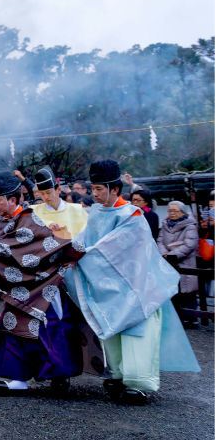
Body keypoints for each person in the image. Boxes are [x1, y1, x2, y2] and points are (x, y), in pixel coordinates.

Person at [65, 159, 200, 406]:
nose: (94, 194)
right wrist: (71, 249)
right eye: (93, 189)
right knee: (112, 330)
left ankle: (138, 384)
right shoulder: (96, 212)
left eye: (99, 189)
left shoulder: (132, 215)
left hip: (136, 287)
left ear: (115, 189)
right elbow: (85, 240)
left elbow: (116, 248)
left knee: (136, 332)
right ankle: (117, 375)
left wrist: (84, 253)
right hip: (110, 286)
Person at [0, 171, 85, 397]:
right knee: (10, 327)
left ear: (13, 200)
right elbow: (0, 252)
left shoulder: (28, 219)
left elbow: (14, 248)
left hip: (43, 286)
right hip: (19, 289)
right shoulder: (2, 222)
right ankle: (17, 380)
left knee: (50, 328)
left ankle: (59, 376)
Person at [157, 201, 200, 329]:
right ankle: (178, 318)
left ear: (182, 212)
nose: (172, 213)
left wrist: (172, 255)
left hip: (184, 261)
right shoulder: (165, 224)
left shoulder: (190, 225)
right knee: (174, 291)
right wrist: (164, 254)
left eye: (175, 210)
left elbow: (190, 244)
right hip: (168, 262)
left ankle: (192, 319)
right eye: (170, 210)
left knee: (188, 291)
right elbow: (160, 240)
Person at [31, 166, 89, 240]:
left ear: (58, 190)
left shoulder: (77, 209)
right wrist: (47, 224)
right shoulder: (33, 211)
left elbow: (87, 234)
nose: (46, 197)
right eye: (42, 193)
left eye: (48, 192)